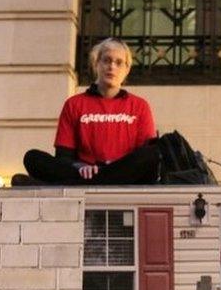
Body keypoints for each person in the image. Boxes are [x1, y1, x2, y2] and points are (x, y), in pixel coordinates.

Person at [13, 37, 160, 186]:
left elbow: (146, 158)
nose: (112, 67)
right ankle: (93, 180)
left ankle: (59, 185)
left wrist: (110, 170)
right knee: (32, 157)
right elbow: (63, 157)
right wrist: (81, 167)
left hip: (122, 173)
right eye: (106, 60)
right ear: (96, 64)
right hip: (84, 173)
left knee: (153, 154)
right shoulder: (74, 104)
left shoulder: (140, 106)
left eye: (119, 62)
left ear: (127, 69)